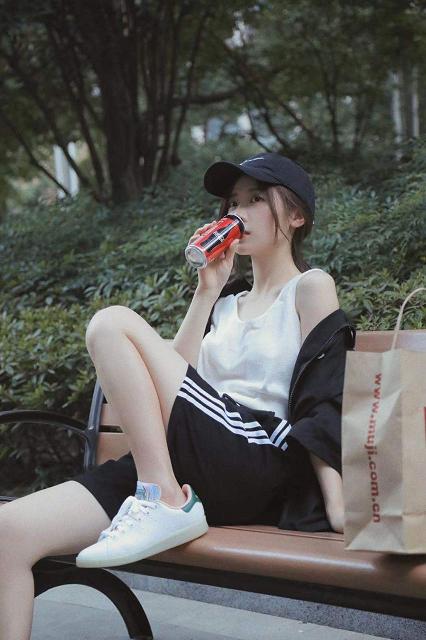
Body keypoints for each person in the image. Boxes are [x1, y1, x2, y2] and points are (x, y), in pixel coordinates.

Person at [0, 152, 356, 639]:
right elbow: (173, 384)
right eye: (233, 202)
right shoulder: (225, 304)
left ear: (297, 216)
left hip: (254, 455)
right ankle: (161, 495)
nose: (238, 213)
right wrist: (206, 292)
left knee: (110, 323)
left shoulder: (310, 287)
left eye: (255, 199)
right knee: (8, 533)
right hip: (185, 461)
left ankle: (162, 499)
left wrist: (337, 504)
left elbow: (323, 395)